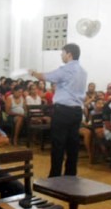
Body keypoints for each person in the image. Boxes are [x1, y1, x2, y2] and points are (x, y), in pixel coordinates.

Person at [30, 43, 87, 177]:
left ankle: (55, 176)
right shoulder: (83, 71)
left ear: (69, 54)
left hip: (63, 112)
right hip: (77, 111)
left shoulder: (66, 69)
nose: (61, 56)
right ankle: (70, 174)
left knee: (58, 144)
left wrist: (32, 72)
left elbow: (45, 76)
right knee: (72, 145)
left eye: (62, 53)